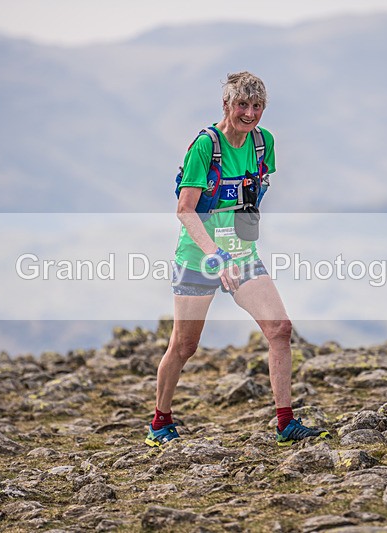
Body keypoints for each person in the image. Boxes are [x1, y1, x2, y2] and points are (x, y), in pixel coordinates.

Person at [146, 71, 331, 447]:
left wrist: (242, 229)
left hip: (242, 254)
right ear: (226, 105)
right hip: (198, 256)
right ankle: (159, 423)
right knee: (184, 346)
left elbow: (252, 193)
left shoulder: (264, 143)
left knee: (280, 329)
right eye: (242, 105)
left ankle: (285, 423)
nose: (250, 113)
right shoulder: (205, 146)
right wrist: (216, 254)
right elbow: (185, 210)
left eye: (257, 106)